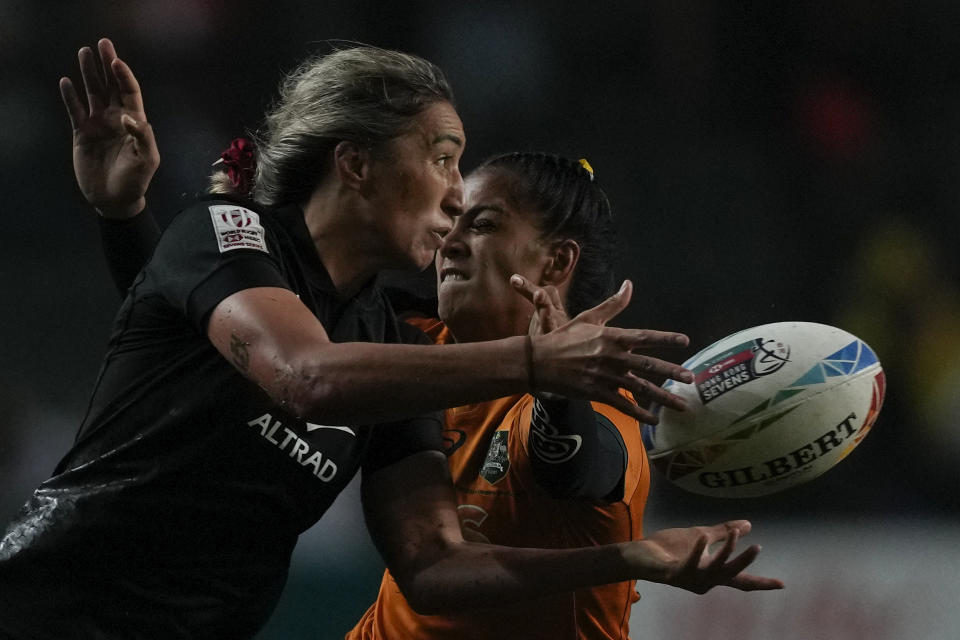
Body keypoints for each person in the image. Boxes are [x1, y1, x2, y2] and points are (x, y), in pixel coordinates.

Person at [0, 39, 782, 639]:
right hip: (52, 609)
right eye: (442, 158)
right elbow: (304, 377)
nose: (453, 195)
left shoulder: (390, 344)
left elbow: (435, 566)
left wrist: (636, 557)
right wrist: (539, 361)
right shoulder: (230, 236)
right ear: (357, 164)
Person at [348, 152, 663, 639]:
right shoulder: (413, 341)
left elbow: (578, 469)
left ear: (557, 261)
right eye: (451, 221)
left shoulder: (596, 394)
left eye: (483, 225)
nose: (448, 242)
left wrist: (557, 390)